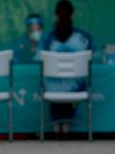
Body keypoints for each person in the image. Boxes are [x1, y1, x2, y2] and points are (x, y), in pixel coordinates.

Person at [41, 0, 92, 134]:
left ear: (55, 15)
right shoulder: (84, 37)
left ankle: (56, 126)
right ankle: (67, 126)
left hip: (51, 88)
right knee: (72, 84)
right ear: (73, 14)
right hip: (76, 88)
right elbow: (94, 57)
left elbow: (38, 58)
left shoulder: (47, 37)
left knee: (52, 82)